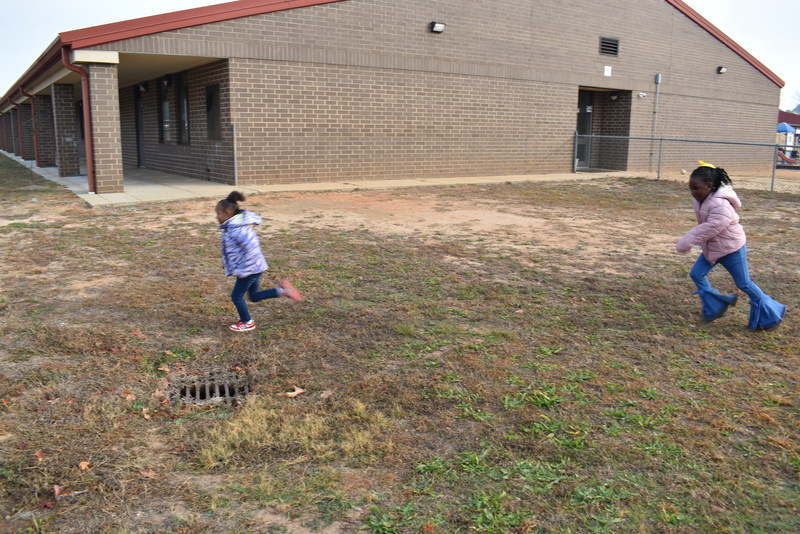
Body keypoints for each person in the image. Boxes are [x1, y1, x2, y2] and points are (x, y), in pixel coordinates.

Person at [676, 162, 785, 330]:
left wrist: (689, 239)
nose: (693, 192)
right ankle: (715, 306)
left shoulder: (721, 204)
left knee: (744, 284)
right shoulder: (701, 199)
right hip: (713, 248)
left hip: (731, 249)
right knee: (696, 274)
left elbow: (711, 227)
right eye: (690, 188)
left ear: (710, 186)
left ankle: (771, 312)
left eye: (696, 188)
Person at [216, 191, 302, 331]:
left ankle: (247, 322)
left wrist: (245, 270)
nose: (217, 217)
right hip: (253, 268)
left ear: (226, 214)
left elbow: (252, 250)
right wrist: (227, 263)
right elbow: (233, 252)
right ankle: (281, 291)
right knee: (254, 296)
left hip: (249, 269)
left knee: (236, 296)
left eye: (218, 214)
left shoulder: (239, 230)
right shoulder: (234, 227)